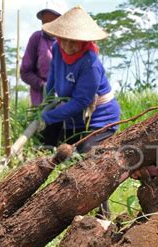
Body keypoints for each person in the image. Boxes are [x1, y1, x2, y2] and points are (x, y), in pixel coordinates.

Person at [41, 6, 121, 217]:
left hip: (100, 118)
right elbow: (53, 77)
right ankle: (71, 206)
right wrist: (46, 102)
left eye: (74, 41)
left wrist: (49, 116)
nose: (68, 45)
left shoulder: (90, 63)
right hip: (74, 117)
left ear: (84, 40)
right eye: (64, 39)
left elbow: (81, 101)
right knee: (66, 155)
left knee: (90, 158)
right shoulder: (58, 49)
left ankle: (103, 215)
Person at [21, 3, 65, 146]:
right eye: (44, 22)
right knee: (43, 142)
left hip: (65, 100)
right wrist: (42, 85)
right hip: (42, 101)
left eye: (52, 21)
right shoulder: (37, 38)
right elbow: (25, 71)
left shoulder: (67, 41)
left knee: (63, 140)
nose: (47, 25)